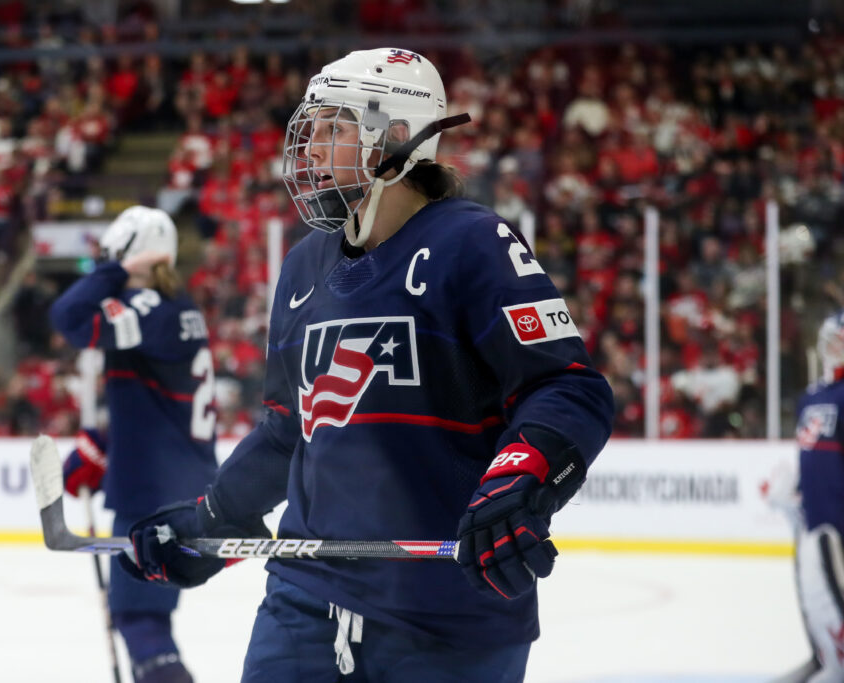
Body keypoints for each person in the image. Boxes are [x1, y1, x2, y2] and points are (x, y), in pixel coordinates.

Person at [118, 47, 615, 681]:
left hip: (448, 612)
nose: (312, 150)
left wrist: (519, 485)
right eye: (313, 129)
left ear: (399, 137)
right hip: (303, 600)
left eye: (335, 128)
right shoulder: (302, 267)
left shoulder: (471, 243)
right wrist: (211, 519)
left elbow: (567, 388)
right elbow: (285, 432)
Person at [49, 206, 219, 683]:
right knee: (144, 619)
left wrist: (119, 271)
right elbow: (163, 408)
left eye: (112, 256)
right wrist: (104, 448)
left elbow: (69, 317)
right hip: (174, 483)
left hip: (154, 495)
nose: (106, 266)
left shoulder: (149, 308)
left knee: (141, 623)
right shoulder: (173, 310)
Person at [778, 310, 844, 682]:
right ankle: (822, 657)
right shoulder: (811, 397)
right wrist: (793, 495)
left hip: (838, 526)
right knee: (816, 602)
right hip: (812, 526)